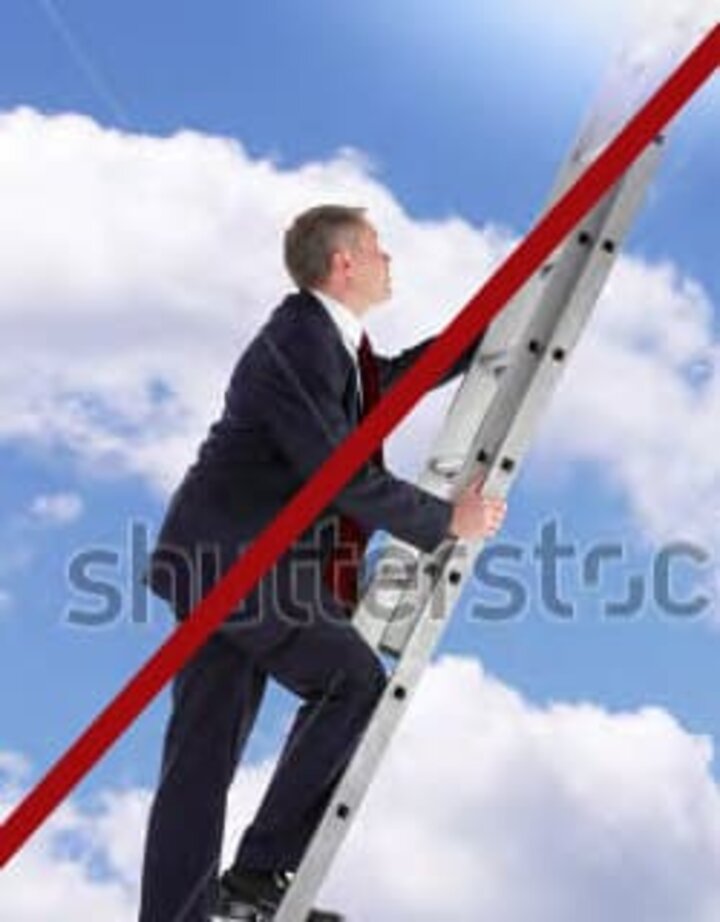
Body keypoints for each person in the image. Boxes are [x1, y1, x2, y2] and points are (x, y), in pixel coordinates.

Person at [138, 204, 507, 922]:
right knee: (351, 681)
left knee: (199, 759)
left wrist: (485, 333)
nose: (388, 260)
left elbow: (383, 392)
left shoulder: (328, 340)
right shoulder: (300, 340)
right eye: (377, 249)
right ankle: (256, 878)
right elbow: (340, 473)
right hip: (237, 562)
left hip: (220, 558)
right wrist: (444, 521)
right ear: (343, 263)